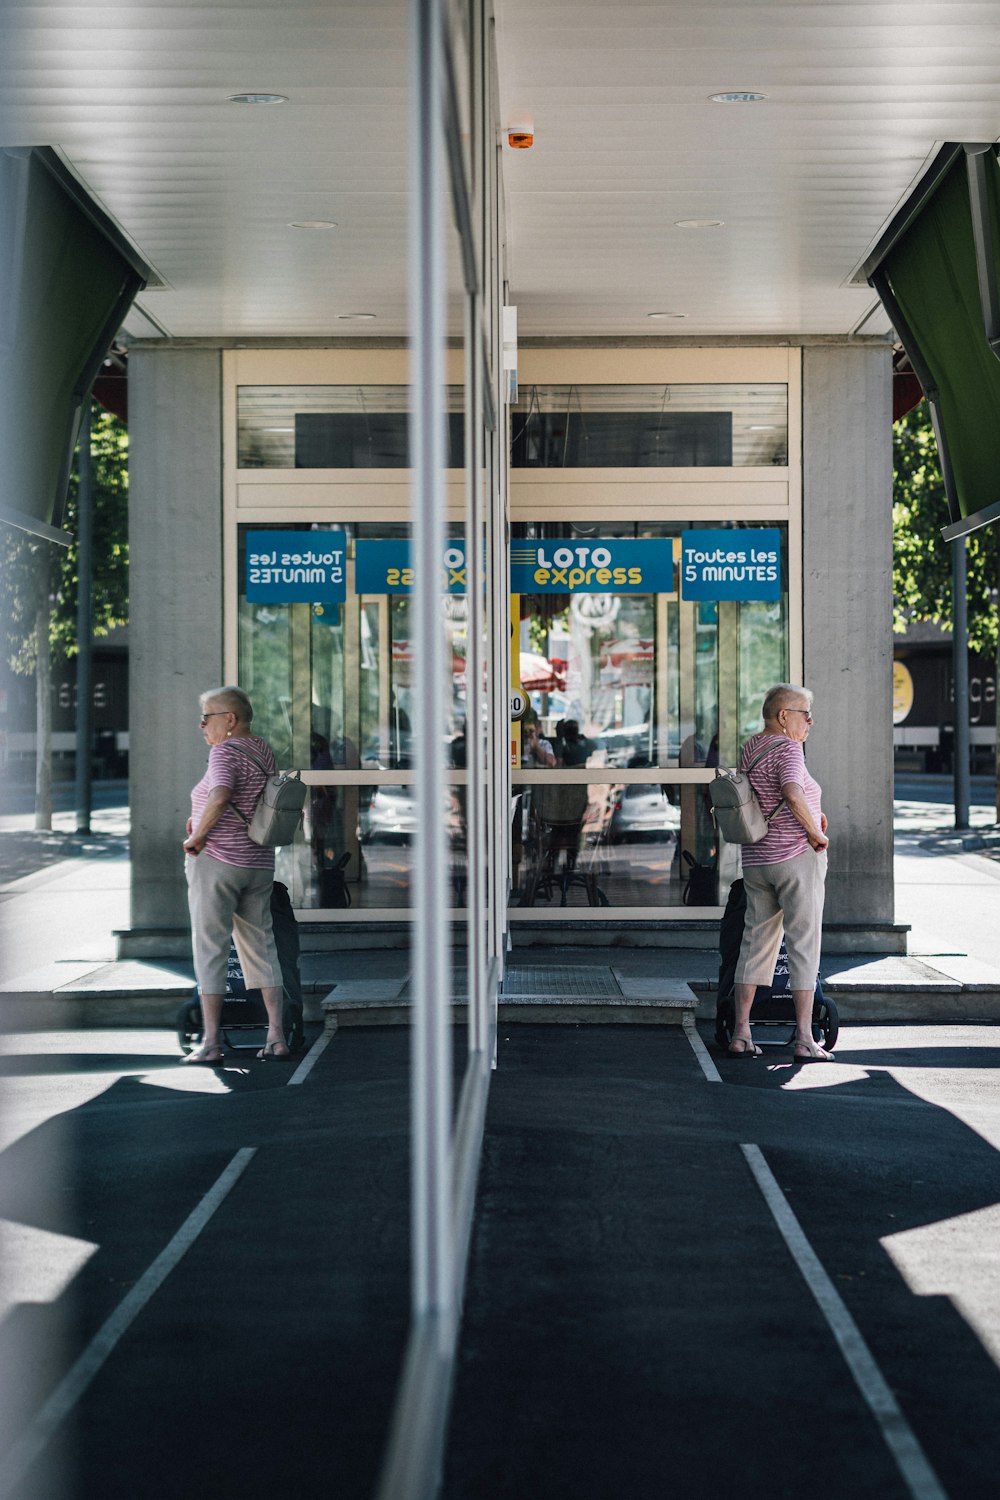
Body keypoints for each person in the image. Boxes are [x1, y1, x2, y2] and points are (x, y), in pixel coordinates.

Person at [182, 685, 290, 1063]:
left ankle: (210, 1043)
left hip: (218, 862)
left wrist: (197, 836)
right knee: (261, 947)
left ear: (229, 719)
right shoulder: (261, 750)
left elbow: (222, 794)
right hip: (257, 863)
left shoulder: (224, 752)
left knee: (210, 946)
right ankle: (276, 1036)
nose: (201, 726)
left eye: (206, 717)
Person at [729, 684, 832, 1062]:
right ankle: (805, 1038)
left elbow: (766, 796)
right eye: (805, 714)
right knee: (804, 943)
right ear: (783, 716)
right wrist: (815, 832)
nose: (810, 721)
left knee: (755, 944)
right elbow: (790, 790)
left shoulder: (751, 747)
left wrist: (810, 813)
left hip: (758, 860)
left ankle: (741, 1032)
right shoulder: (788, 748)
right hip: (794, 858)